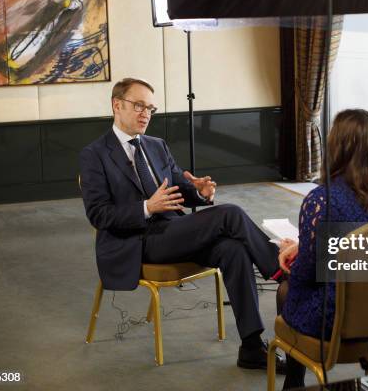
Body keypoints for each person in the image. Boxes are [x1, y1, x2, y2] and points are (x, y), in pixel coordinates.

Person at [79, 77, 286, 372]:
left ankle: (251, 347)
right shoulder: (94, 155)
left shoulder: (157, 145)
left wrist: (199, 192)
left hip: (174, 231)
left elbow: (179, 189)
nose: (145, 114)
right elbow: (99, 215)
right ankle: (283, 272)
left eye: (150, 108)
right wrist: (147, 208)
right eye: (138, 106)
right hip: (137, 242)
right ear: (116, 105)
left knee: (232, 251)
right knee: (231, 214)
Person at [275, 109, 368, 389]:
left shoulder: (322, 200)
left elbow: (308, 275)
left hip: (340, 324)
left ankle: (294, 380)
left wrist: (293, 263)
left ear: (337, 146)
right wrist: (309, 244)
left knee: (285, 290)